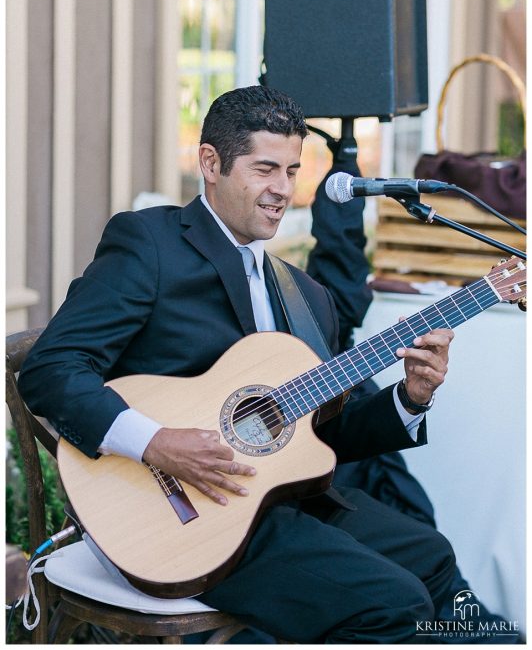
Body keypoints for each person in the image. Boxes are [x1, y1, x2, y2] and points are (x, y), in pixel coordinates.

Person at [19, 85, 456, 644]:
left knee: (432, 557)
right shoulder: (150, 244)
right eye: (265, 168)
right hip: (175, 511)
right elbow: (52, 368)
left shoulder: (306, 297)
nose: (282, 190)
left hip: (277, 499)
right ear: (211, 163)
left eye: (293, 171)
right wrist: (152, 441)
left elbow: (322, 437)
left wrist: (411, 398)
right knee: (396, 604)